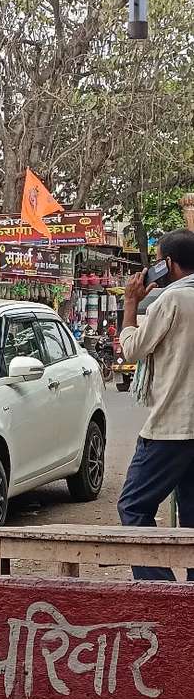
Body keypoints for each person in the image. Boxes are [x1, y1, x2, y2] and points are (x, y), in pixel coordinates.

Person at [117, 228, 194, 580]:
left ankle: (160, 592)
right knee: (191, 514)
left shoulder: (171, 301)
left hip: (172, 427)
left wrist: (131, 304)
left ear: (169, 264)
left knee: (133, 506)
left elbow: (132, 350)